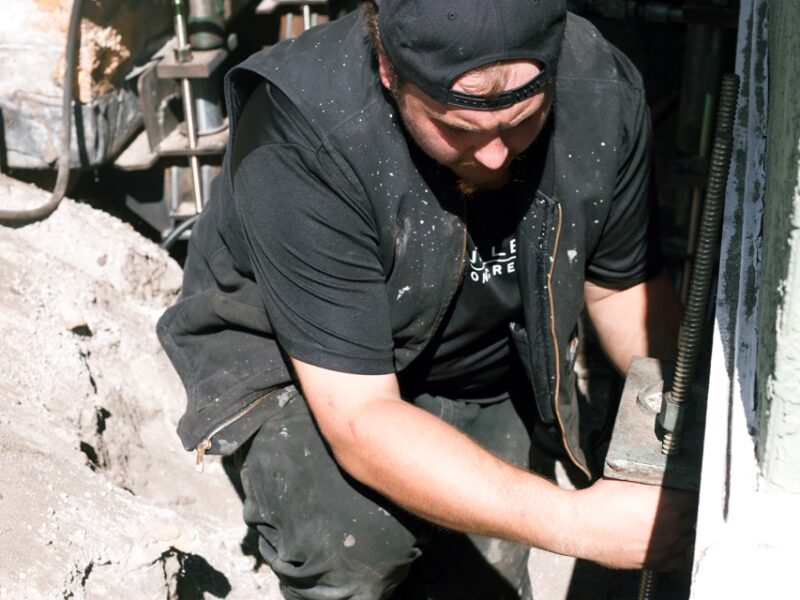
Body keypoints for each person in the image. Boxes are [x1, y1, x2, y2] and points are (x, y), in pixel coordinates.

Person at [158, 0, 694, 597]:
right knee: (354, 543)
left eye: (523, 120)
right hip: (307, 370)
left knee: (483, 570)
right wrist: (577, 522)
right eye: (463, 128)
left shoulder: (601, 89)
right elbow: (361, 418)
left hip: (479, 356)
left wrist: (688, 420)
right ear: (390, 70)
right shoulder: (305, 134)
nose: (497, 155)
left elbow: (623, 290)